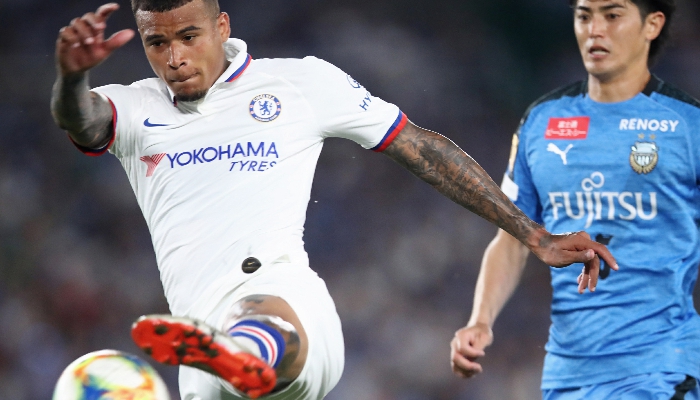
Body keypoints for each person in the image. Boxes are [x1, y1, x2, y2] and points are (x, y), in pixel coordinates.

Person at [50, 1, 617, 399]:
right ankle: (230, 356)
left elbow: (421, 147)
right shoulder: (135, 107)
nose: (174, 57)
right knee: (226, 356)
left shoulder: (300, 83)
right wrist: (72, 77)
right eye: (157, 43)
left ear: (221, 27)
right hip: (199, 356)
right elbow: (83, 119)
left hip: (288, 304)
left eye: (188, 37)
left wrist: (533, 234)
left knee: (260, 317)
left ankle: (245, 351)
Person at [450, 0, 700, 398]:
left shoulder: (688, 125)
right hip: (568, 376)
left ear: (652, 25)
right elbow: (512, 239)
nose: (594, 29)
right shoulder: (541, 121)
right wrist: (481, 321)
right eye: (584, 16)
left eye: (612, 16)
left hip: (660, 365)